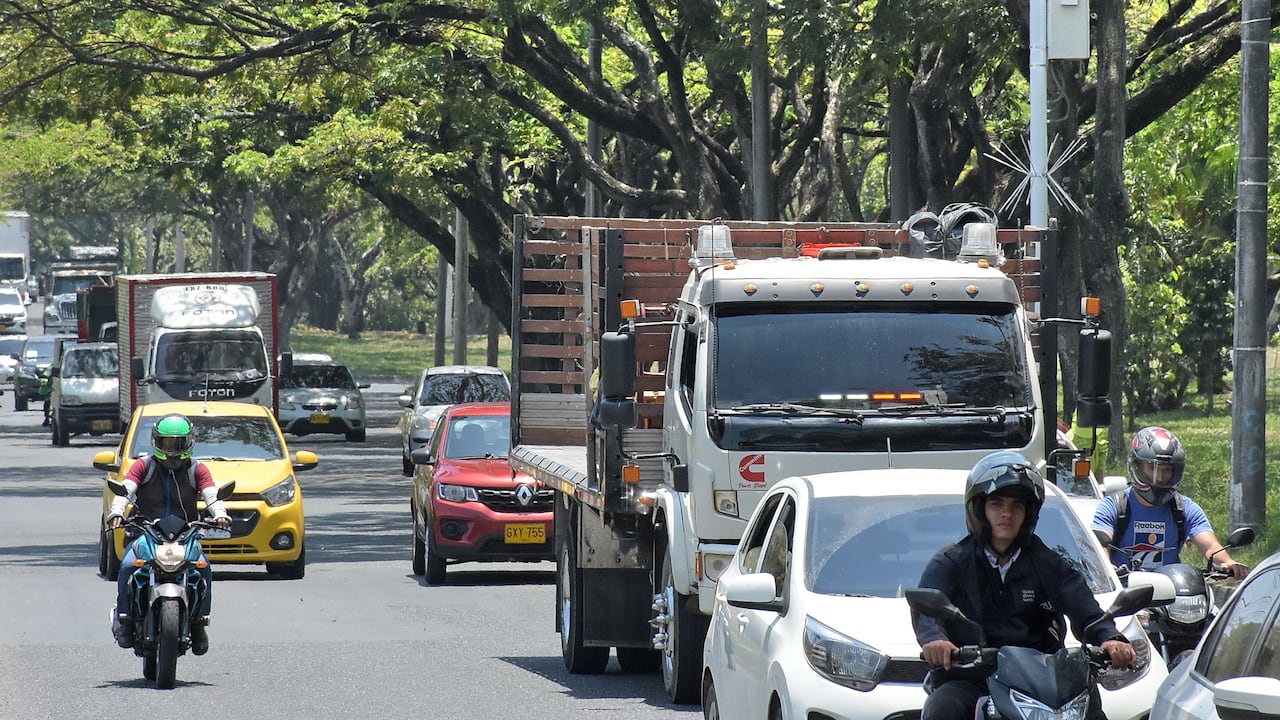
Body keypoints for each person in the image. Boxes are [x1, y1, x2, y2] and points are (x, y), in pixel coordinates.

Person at [914, 451, 1135, 720]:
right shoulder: (950, 562)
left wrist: (1110, 638)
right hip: (972, 677)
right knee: (942, 709)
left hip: (1043, 682)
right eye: (996, 504)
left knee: (1091, 709)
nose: (1007, 513)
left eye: (1017, 506)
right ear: (978, 508)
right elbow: (928, 611)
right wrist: (935, 640)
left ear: (1029, 513)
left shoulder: (1050, 564)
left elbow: (1086, 610)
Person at [107, 414, 231, 656]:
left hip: (186, 534)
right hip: (147, 532)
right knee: (128, 566)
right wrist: (117, 512)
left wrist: (220, 514)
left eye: (179, 444)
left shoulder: (198, 469)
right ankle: (125, 620)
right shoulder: (143, 466)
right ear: (156, 442)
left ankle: (199, 624)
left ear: (190, 442)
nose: (173, 451)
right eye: (167, 443)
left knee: (204, 569)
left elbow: (211, 495)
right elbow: (126, 491)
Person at [1091, 426, 1247, 580]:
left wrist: (1227, 562)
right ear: (1136, 467)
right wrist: (1106, 566)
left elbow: (1211, 546)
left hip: (1173, 590)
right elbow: (1099, 545)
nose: (1159, 478)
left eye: (1166, 470)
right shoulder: (1113, 506)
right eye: (1152, 469)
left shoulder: (1185, 508)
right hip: (1125, 590)